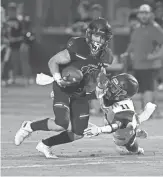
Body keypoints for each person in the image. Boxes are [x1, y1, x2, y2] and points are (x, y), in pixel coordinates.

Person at [14, 18, 113, 158]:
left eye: (102, 37)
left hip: (81, 92)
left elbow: (99, 77)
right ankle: (29, 127)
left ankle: (45, 144)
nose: (99, 40)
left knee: (79, 132)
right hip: (65, 87)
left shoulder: (106, 55)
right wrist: (58, 79)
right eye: (97, 35)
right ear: (89, 35)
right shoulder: (79, 46)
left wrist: (101, 91)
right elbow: (53, 61)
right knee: (61, 123)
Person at [84, 72, 157, 155]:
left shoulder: (123, 108)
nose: (109, 88)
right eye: (111, 85)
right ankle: (137, 129)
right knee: (129, 122)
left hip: (124, 130)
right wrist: (100, 83)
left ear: (123, 93)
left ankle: (135, 138)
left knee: (129, 146)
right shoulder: (112, 96)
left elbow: (117, 125)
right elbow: (99, 95)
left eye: (114, 88)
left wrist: (99, 130)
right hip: (117, 119)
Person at [122, 4, 163, 115]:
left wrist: (155, 56)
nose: (144, 15)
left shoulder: (155, 28)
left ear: (151, 14)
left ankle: (149, 115)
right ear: (139, 15)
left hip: (150, 66)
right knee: (140, 92)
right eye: (142, 13)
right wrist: (127, 53)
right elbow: (133, 43)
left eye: (146, 13)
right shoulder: (137, 28)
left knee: (148, 90)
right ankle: (152, 113)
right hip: (137, 65)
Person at [6, 2, 23, 84]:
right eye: (10, 10)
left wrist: (15, 39)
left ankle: (13, 78)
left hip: (16, 46)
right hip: (6, 45)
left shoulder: (19, 21)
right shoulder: (5, 20)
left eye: (13, 10)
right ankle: (8, 78)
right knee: (7, 62)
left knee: (14, 62)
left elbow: (22, 35)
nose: (12, 12)